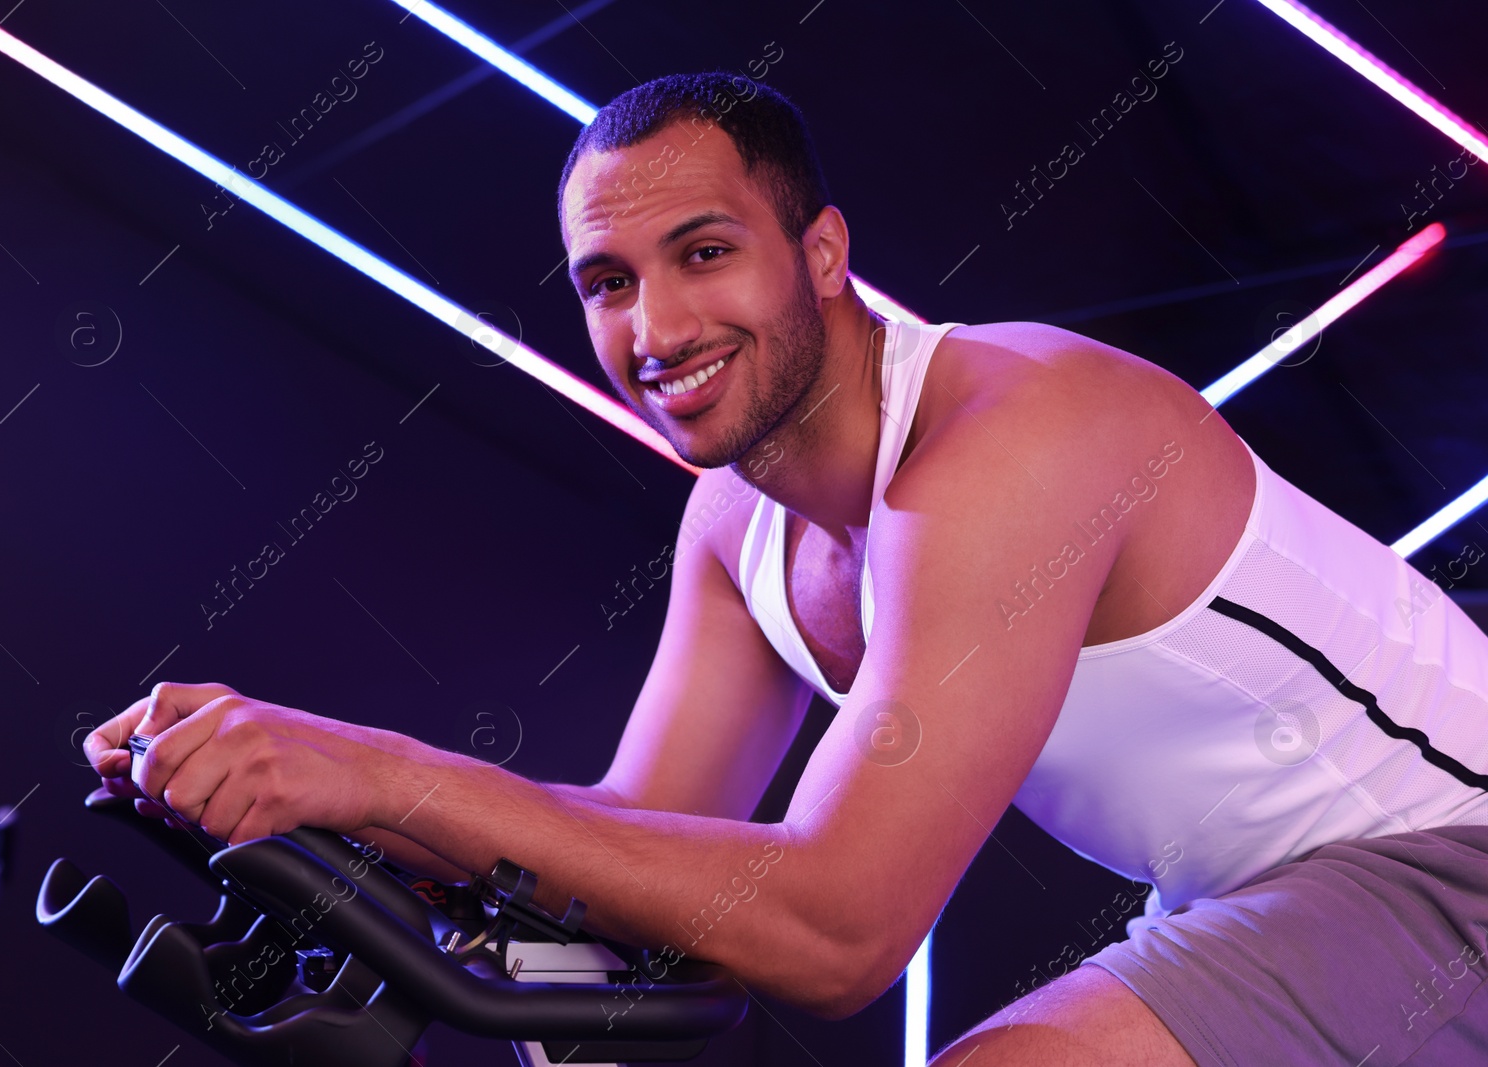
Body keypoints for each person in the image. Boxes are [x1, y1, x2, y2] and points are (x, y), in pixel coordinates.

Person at [86, 72, 1488, 1065]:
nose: (658, 325)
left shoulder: (1013, 439)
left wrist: (384, 774)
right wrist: (286, 794)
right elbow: (637, 846)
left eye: (704, 253)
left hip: (1447, 865)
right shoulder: (739, 529)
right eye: (609, 282)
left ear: (822, 253)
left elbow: (838, 931)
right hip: (1253, 896)